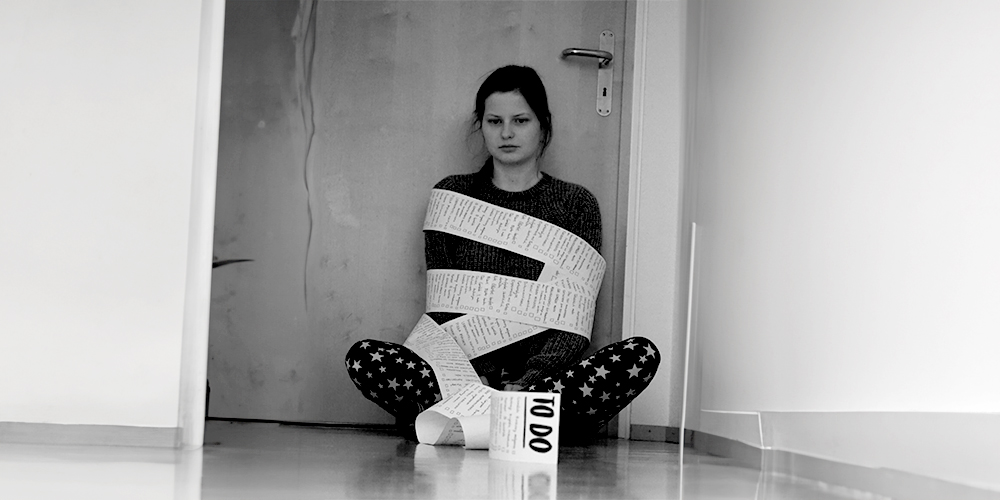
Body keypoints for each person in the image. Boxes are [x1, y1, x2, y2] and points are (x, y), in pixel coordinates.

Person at [345, 65, 659, 439]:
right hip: (460, 376)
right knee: (364, 357)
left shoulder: (576, 204)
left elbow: (574, 318)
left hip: (544, 381)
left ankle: (492, 418)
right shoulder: (452, 197)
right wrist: (470, 377)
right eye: (495, 121)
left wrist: (530, 380)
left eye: (520, 121)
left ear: (543, 125)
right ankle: (522, 425)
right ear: (481, 125)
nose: (506, 133)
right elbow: (442, 306)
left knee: (640, 355)